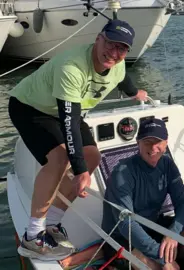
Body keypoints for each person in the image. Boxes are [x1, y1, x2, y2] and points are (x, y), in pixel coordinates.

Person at [9, 19, 149, 260]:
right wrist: (79, 169)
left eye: (121, 49)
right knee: (59, 158)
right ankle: (33, 237)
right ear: (98, 38)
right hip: (31, 106)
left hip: (66, 108)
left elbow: (121, 77)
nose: (113, 53)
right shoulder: (72, 67)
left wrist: (135, 93)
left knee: (93, 156)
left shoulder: (118, 63)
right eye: (110, 44)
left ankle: (52, 223)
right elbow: (68, 122)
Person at [101, 118, 184, 270]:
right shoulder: (122, 172)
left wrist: (172, 234)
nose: (153, 147)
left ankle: (178, 261)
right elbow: (126, 224)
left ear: (166, 143)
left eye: (158, 142)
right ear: (138, 143)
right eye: (147, 142)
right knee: (155, 267)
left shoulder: (167, 164)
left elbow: (183, 204)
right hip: (122, 238)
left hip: (152, 226)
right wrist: (161, 258)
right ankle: (169, 262)